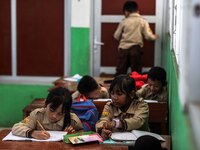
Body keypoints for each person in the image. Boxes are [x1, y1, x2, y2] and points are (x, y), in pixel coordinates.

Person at [12, 87, 83, 140]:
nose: (54, 116)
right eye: (52, 110)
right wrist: (32, 133)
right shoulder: (37, 115)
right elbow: (16, 128)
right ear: (46, 104)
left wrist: (73, 135)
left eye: (60, 114)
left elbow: (82, 134)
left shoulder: (72, 120)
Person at [96, 75, 149, 140]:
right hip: (117, 142)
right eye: (112, 93)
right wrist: (103, 129)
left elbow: (138, 121)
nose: (114, 98)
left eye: (119, 94)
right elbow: (104, 118)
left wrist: (117, 123)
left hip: (139, 142)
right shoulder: (109, 106)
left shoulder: (141, 105)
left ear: (131, 94)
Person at [114, 1, 159, 76]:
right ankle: (135, 86)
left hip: (124, 49)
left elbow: (116, 36)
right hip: (136, 49)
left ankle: (119, 86)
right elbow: (148, 36)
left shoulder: (124, 22)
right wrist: (155, 36)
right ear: (137, 11)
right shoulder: (142, 21)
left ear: (126, 12)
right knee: (136, 73)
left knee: (120, 71)